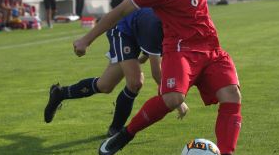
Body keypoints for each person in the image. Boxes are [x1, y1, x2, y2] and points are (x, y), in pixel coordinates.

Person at [73, 0, 272, 155]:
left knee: (232, 94)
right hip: (180, 49)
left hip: (211, 48)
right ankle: (124, 135)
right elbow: (119, 12)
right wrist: (87, 39)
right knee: (173, 99)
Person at [44, 8, 189, 136]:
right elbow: (157, 73)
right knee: (136, 82)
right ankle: (116, 130)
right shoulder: (157, 25)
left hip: (137, 32)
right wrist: (177, 101)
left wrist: (140, 59)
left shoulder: (173, 25)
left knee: (105, 85)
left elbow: (152, 49)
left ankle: (60, 93)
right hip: (122, 30)